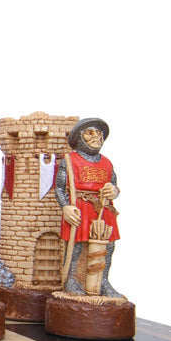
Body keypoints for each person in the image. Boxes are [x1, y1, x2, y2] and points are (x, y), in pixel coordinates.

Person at [55, 117, 121, 297]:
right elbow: (60, 188)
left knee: (108, 246)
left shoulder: (107, 163)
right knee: (76, 246)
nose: (95, 137)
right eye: (90, 133)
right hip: (80, 208)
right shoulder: (69, 160)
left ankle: (103, 281)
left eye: (98, 133)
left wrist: (113, 191)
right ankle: (72, 280)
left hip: (103, 208)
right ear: (80, 138)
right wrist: (66, 207)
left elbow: (114, 185)